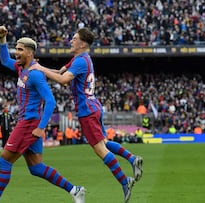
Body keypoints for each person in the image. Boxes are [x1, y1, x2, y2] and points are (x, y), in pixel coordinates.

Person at [0, 25, 85, 203]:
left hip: (29, 123)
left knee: (4, 161)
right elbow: (4, 60)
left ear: (30, 53)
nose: (16, 53)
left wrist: (41, 128)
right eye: (16, 48)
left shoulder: (36, 75)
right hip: (28, 122)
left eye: (19, 49)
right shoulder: (21, 68)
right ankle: (75, 190)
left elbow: (51, 101)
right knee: (36, 167)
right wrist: (2, 39)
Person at [30, 27, 143, 203]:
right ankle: (132, 158)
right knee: (104, 142)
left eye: (74, 39)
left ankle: (124, 181)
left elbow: (62, 79)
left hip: (86, 111)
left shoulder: (80, 62)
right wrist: (38, 67)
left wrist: (39, 69)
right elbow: (60, 72)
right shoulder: (81, 59)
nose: (70, 41)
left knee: (100, 149)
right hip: (94, 106)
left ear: (82, 43)